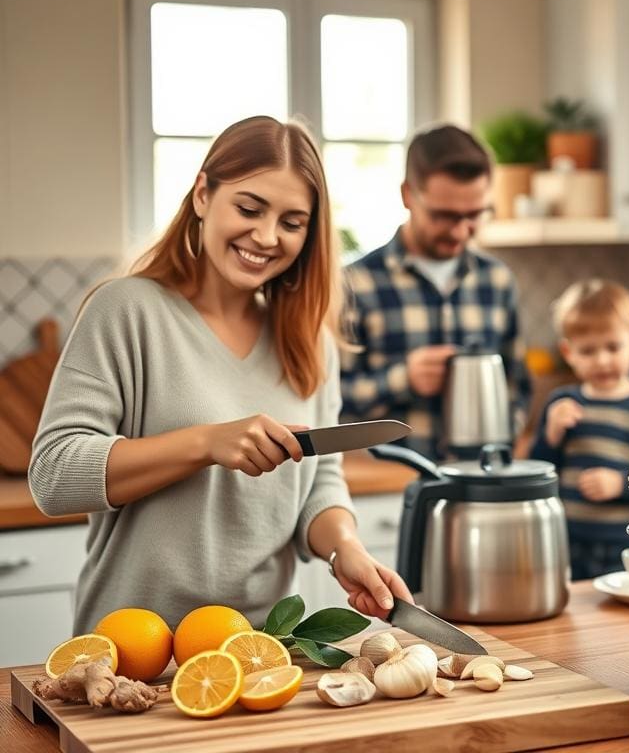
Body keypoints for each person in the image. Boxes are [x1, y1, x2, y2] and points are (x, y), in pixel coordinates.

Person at [29, 116, 412, 635]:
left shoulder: (309, 341)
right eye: (249, 209)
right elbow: (53, 475)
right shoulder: (125, 310)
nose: (266, 236)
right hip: (132, 649)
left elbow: (319, 480)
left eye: (292, 223)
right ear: (203, 194)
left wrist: (345, 547)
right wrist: (207, 443)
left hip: (259, 651)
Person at [339, 124, 530, 461]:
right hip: (392, 481)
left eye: (475, 215)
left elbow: (518, 387)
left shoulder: (498, 281)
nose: (460, 231)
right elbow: (330, 400)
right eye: (444, 215)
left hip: (480, 479)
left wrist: (501, 441)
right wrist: (404, 378)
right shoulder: (354, 284)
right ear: (408, 195)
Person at [529, 279, 629, 581]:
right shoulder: (561, 403)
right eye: (587, 351)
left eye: (613, 347)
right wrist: (551, 435)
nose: (602, 360)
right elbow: (538, 473)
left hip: (624, 546)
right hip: (565, 543)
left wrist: (621, 483)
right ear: (568, 352)